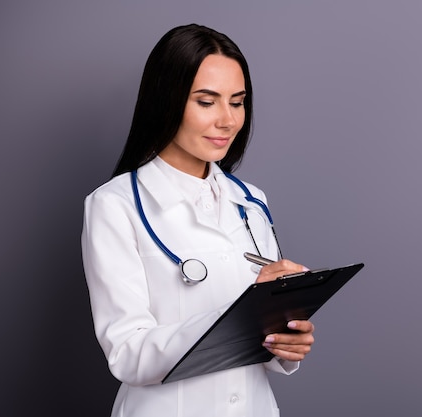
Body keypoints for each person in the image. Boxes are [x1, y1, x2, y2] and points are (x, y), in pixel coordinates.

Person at [81, 24, 315, 417]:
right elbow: (126, 353)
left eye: (237, 102)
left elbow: (264, 338)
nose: (228, 120)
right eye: (206, 102)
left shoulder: (252, 201)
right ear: (166, 101)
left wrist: (286, 341)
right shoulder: (114, 205)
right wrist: (242, 313)